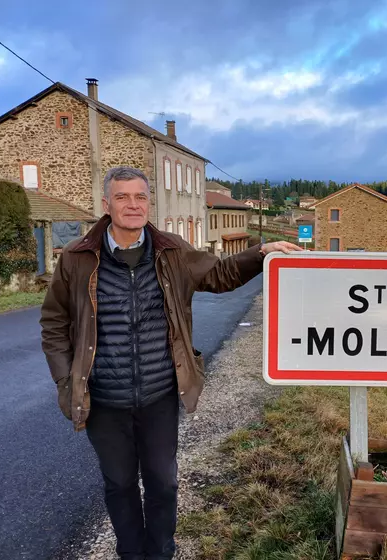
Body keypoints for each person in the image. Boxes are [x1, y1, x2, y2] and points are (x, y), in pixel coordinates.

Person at [40, 166, 301, 560]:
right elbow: (54, 324)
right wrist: (65, 381)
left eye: (140, 197)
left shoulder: (173, 252)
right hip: (104, 401)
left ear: (149, 203)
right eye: (123, 197)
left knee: (163, 482)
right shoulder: (77, 259)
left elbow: (222, 275)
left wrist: (261, 253)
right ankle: (131, 552)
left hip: (160, 394)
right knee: (120, 483)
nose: (133, 205)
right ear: (106, 204)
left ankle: (161, 551)